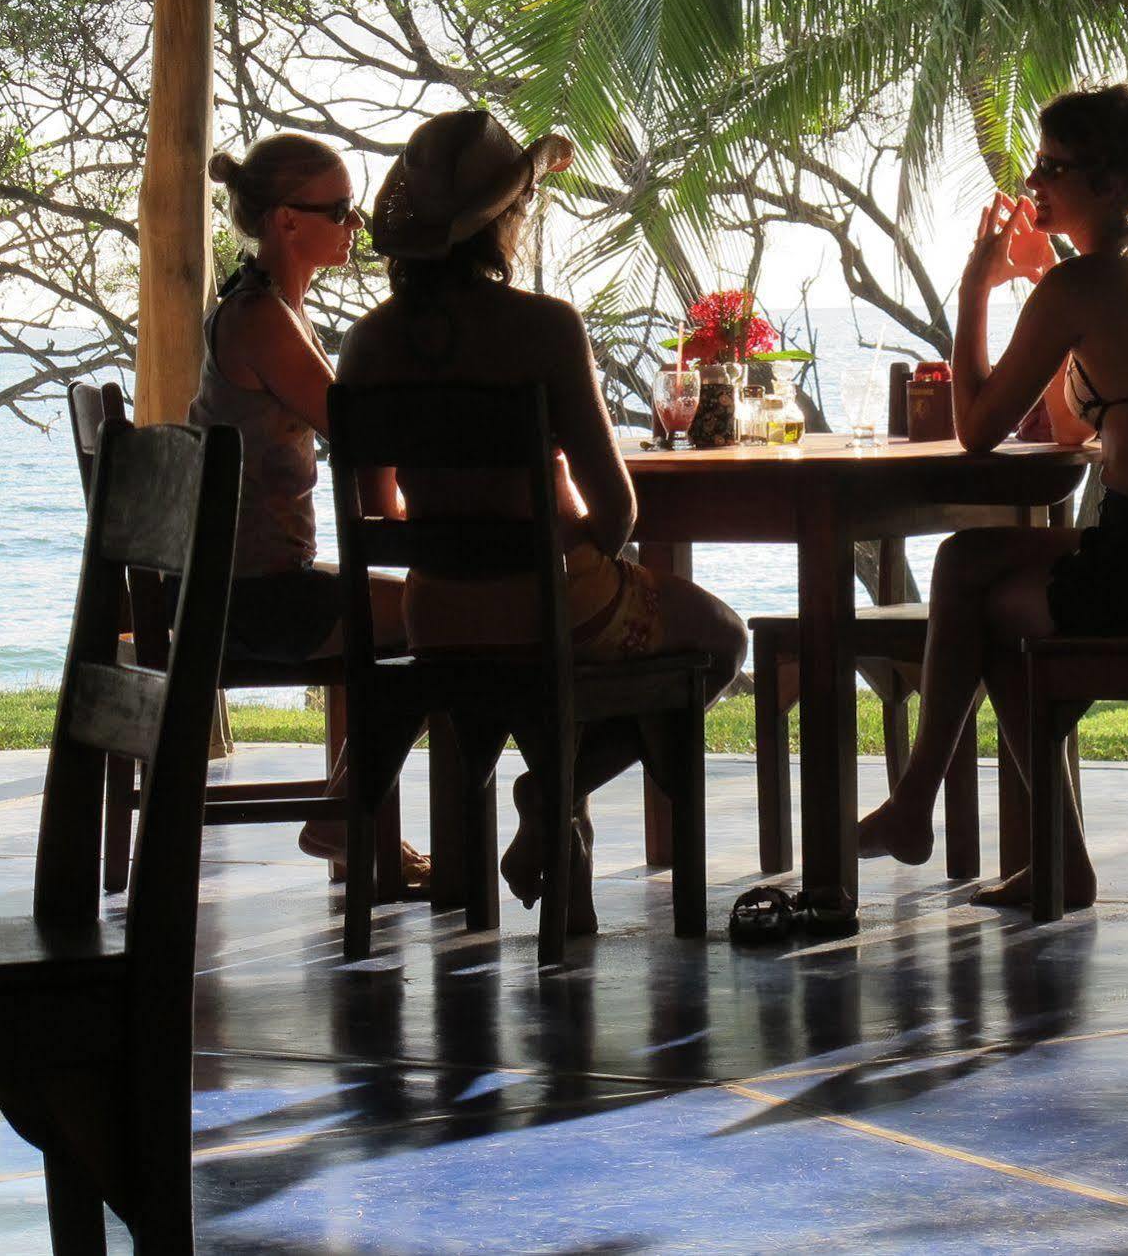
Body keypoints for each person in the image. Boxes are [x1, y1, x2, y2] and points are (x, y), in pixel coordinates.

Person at [337, 109, 747, 934]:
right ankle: (556, 789)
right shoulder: (544, 328)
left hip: (435, 617)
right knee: (722, 637)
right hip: (553, 606)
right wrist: (569, 548)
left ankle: (557, 809)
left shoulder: (365, 345)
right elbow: (618, 510)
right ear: (501, 225)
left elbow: (377, 508)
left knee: (589, 632)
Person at [854, 84, 1128, 909]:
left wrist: (974, 287)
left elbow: (976, 430)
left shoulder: (1080, 289)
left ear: (1105, 185)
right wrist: (1045, 279)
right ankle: (983, 831)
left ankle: (921, 806)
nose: (1033, 185)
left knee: (980, 592)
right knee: (974, 574)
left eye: (1052, 169)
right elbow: (1074, 430)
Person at [199, 133, 430, 888]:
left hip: (238, 586)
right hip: (253, 600)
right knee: (450, 618)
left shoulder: (264, 309)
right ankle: (339, 816)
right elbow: (357, 430)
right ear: (287, 222)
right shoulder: (264, 320)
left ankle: (342, 809)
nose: (355, 224)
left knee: (437, 612)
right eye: (339, 210)